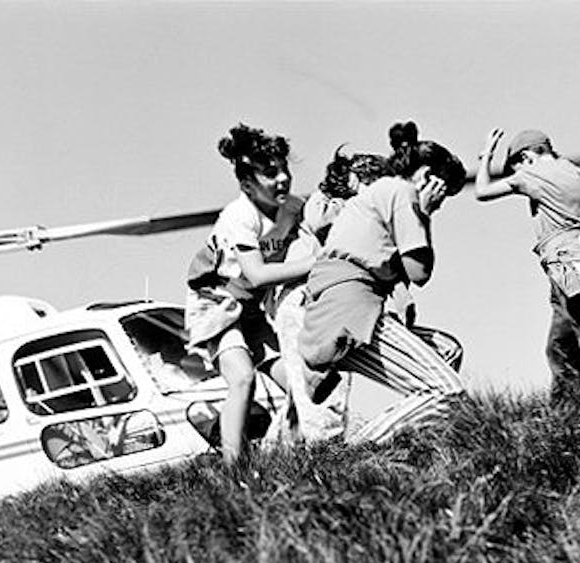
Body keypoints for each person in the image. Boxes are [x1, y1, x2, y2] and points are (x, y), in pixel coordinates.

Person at [298, 121, 468, 445]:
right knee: (447, 391)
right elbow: (419, 272)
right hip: (349, 311)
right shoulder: (401, 192)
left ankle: (417, 444)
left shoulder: (377, 196)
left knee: (447, 350)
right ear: (427, 176)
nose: (440, 201)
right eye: (443, 192)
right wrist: (425, 214)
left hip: (339, 311)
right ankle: (358, 454)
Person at [185, 123, 313, 464]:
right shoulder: (240, 216)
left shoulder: (293, 208)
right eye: (270, 174)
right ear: (246, 185)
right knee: (243, 378)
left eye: (285, 170)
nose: (283, 179)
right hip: (217, 304)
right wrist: (314, 264)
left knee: (299, 380)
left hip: (253, 307)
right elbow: (256, 274)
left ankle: (294, 452)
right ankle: (234, 469)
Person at [474, 128, 580, 402]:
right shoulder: (578, 174)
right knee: (560, 345)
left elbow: (482, 191)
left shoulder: (531, 175)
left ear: (527, 157)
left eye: (516, 166)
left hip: (568, 269)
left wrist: (486, 155)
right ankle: (565, 406)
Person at [266, 146, 394, 445]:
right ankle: (327, 456)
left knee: (303, 393)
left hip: (312, 300)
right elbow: (322, 222)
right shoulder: (328, 205)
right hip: (307, 300)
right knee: (322, 398)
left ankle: (274, 456)